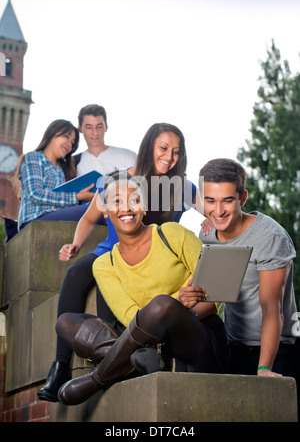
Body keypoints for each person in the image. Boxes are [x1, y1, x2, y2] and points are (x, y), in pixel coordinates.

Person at [38, 122, 206, 402]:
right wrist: (76, 244)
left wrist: (212, 222)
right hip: (111, 251)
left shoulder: (182, 188)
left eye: (177, 151)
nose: (169, 156)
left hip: (155, 259)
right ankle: (60, 368)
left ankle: (115, 364)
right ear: (149, 147)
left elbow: (212, 208)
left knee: (114, 294)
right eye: (163, 148)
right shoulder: (118, 180)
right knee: (77, 274)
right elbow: (90, 217)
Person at [56, 170, 229, 406]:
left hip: (194, 334)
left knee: (161, 304)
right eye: (117, 201)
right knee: (65, 322)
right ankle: (141, 360)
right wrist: (180, 296)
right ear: (105, 211)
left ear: (144, 207)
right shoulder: (105, 264)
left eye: (134, 200)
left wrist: (177, 309)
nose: (126, 208)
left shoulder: (171, 234)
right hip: (146, 341)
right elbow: (130, 316)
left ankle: (99, 377)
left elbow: (218, 286)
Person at [193, 158, 300, 413]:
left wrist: (264, 368)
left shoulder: (269, 237)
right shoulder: (207, 235)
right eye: (210, 201)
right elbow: (214, 296)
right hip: (233, 347)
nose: (218, 211)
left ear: (242, 198)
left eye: (227, 200)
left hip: (277, 351)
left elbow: (272, 308)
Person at [15, 119, 97, 232]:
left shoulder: (62, 170)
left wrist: (85, 197)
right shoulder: (34, 157)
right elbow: (35, 194)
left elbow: (64, 201)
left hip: (56, 216)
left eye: (72, 143)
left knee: (102, 209)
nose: (69, 144)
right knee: (96, 212)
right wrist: (77, 197)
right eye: (67, 137)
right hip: (34, 218)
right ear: (52, 133)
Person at [74, 104, 137, 176]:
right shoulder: (73, 164)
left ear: (106, 127)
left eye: (99, 126)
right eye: (88, 127)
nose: (95, 132)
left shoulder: (128, 157)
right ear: (80, 128)